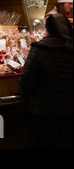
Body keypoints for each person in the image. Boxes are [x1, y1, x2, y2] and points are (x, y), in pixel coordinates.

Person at [19, 13, 73, 149]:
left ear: (48, 29)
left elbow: (26, 80)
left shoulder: (40, 48)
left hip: (44, 112)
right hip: (69, 111)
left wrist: (22, 95)